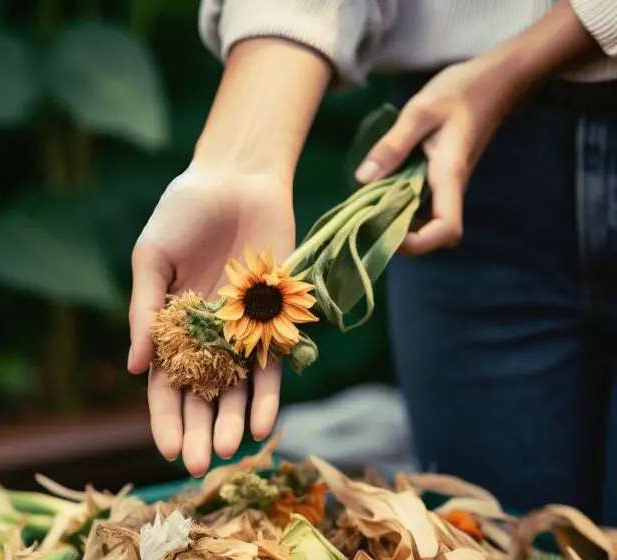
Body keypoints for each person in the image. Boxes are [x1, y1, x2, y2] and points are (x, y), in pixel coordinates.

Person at [128, 1, 617, 522]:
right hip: (452, 149)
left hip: (474, 100)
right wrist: (240, 162)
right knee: (496, 553)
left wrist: (518, 64)